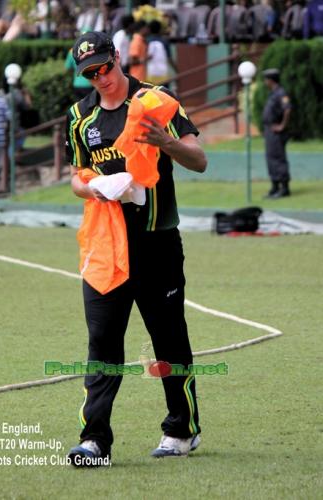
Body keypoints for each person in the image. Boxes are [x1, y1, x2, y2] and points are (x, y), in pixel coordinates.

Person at [66, 31, 207, 467]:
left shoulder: (156, 102)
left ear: (118, 57)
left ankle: (181, 431)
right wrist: (96, 189)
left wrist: (163, 142)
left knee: (168, 341)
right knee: (102, 343)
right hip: (107, 250)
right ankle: (94, 441)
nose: (101, 78)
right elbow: (76, 176)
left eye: (105, 67)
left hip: (157, 244)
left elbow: (198, 159)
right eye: (90, 74)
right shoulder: (80, 117)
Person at [262, 68, 292, 198]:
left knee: (278, 158)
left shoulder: (281, 93)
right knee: (270, 158)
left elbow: (288, 109)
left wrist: (282, 125)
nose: (264, 82)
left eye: (266, 79)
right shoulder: (273, 93)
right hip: (269, 130)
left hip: (277, 131)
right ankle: (275, 186)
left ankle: (284, 188)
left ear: (271, 80)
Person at [146, 20, 176, 86]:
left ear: (149, 30)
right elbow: (169, 58)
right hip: (163, 73)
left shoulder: (147, 41)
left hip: (151, 72)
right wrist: (176, 69)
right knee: (163, 93)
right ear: (160, 29)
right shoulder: (164, 41)